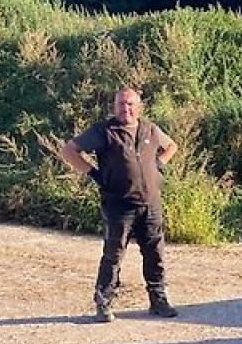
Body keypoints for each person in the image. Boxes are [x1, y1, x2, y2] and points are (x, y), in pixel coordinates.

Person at [59, 88, 180, 322]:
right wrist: (93, 173)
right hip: (118, 204)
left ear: (139, 106)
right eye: (121, 104)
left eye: (130, 104)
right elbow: (69, 150)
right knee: (113, 255)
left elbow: (171, 145)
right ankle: (103, 303)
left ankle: (159, 300)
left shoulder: (149, 128)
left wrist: (158, 164)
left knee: (155, 253)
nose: (126, 109)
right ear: (114, 107)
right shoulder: (104, 131)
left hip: (150, 203)